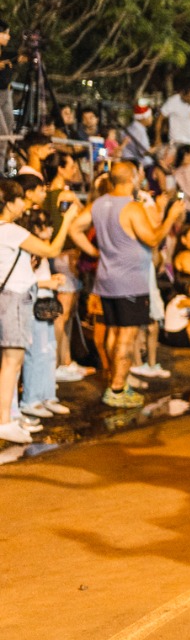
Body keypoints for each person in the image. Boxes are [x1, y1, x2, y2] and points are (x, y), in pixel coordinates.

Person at [87, 161, 185, 407]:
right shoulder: (132, 207)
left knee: (113, 330)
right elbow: (152, 239)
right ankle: (117, 390)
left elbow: (76, 228)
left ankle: (116, 380)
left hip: (106, 279)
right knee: (127, 335)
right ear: (131, 177)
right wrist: (170, 217)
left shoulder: (98, 204)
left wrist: (97, 253)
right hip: (129, 281)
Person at [0, 178, 84, 442]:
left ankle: (9, 416)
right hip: (14, 299)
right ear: (10, 203)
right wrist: (68, 219)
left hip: (9, 297)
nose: (22, 206)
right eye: (19, 201)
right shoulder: (10, 231)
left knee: (11, 363)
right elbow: (52, 249)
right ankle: (5, 421)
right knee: (12, 363)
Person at [39, 153, 93, 382]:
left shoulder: (47, 195)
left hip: (57, 256)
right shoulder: (66, 195)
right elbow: (84, 218)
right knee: (62, 313)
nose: (75, 170)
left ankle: (66, 360)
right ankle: (59, 363)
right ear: (60, 169)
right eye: (71, 166)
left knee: (65, 312)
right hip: (66, 256)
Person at [160, 84, 190, 149]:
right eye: (188, 97)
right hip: (176, 141)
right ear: (181, 94)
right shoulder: (173, 101)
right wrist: (158, 138)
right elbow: (160, 118)